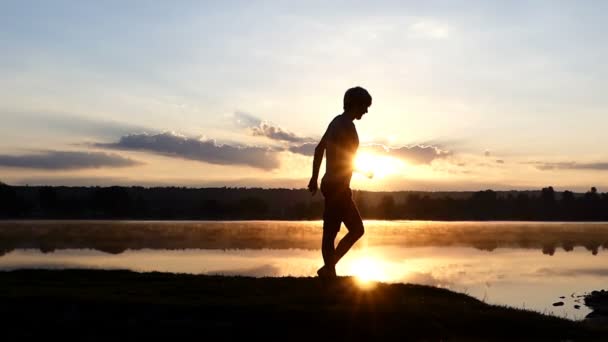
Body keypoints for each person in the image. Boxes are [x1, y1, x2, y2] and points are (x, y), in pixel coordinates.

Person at [308, 86, 372, 279]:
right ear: (354, 103)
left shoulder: (336, 122)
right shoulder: (346, 126)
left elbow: (321, 150)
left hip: (333, 184)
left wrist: (314, 177)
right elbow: (343, 158)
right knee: (341, 231)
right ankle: (329, 272)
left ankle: (329, 269)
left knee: (342, 230)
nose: (366, 111)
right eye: (364, 106)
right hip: (337, 186)